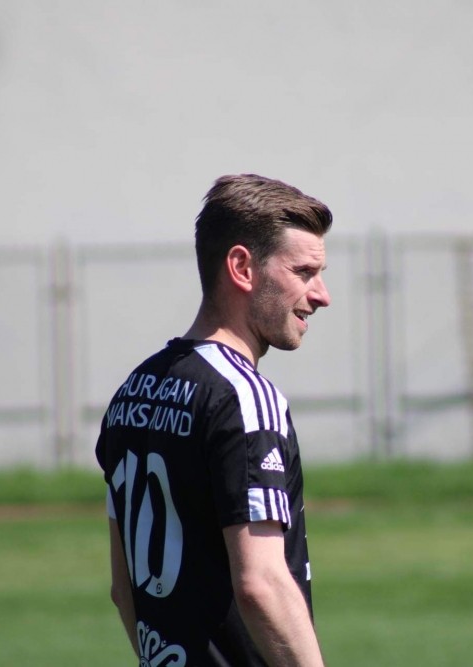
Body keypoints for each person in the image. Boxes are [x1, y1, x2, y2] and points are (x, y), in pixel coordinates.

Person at [96, 174, 332, 666]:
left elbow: (124, 590)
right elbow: (261, 583)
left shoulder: (131, 393)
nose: (322, 294)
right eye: (304, 272)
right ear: (242, 267)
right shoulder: (244, 398)